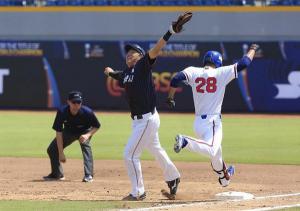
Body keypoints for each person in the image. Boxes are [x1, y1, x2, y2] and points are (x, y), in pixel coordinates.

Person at [103, 12, 192, 201]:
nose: (128, 54)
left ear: (141, 55)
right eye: (127, 52)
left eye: (132, 51)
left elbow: (157, 48)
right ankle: (173, 176)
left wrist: (170, 31)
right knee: (155, 149)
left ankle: (138, 192)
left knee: (129, 155)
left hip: (147, 119)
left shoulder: (143, 65)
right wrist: (110, 73)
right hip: (139, 121)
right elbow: (120, 75)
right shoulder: (127, 72)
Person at [166, 44, 259, 187]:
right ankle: (185, 141)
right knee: (212, 149)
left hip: (198, 122)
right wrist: (252, 49)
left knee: (217, 154)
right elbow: (245, 63)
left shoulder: (192, 71)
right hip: (212, 121)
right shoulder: (221, 72)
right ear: (218, 62)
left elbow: (175, 79)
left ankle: (224, 177)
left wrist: (170, 97)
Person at [43, 91, 101, 182]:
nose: (76, 104)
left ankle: (88, 175)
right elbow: (59, 132)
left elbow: (97, 126)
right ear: (68, 102)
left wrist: (87, 135)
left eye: (79, 102)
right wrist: (61, 153)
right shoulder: (62, 112)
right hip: (69, 132)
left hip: (84, 132)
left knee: (86, 147)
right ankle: (57, 174)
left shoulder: (87, 112)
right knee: (52, 149)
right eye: (74, 102)